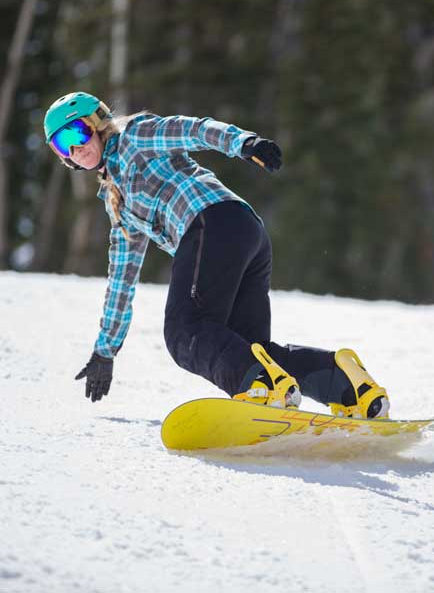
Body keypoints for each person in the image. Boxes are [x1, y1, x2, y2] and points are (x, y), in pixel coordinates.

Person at [43, 91, 390, 419]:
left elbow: (194, 130)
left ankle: (264, 390)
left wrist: (243, 143)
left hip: (211, 222)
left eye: (77, 132)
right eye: (62, 144)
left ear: (99, 123)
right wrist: (105, 350)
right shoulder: (118, 203)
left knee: (184, 331)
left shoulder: (135, 136)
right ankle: (347, 385)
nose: (75, 148)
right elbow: (121, 279)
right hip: (244, 232)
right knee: (249, 349)